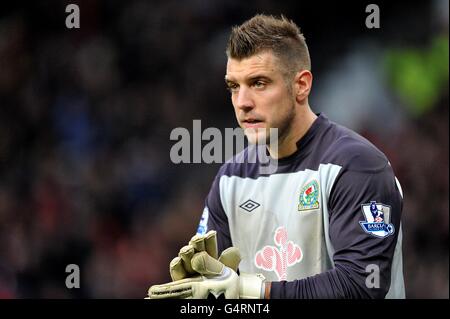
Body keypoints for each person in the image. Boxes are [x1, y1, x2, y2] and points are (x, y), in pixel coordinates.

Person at [148, 14, 405, 299]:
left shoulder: (357, 166)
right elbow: (218, 289)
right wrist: (203, 292)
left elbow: (361, 286)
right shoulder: (231, 178)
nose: (243, 103)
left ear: (301, 85)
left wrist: (250, 290)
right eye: (234, 86)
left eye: (258, 83)